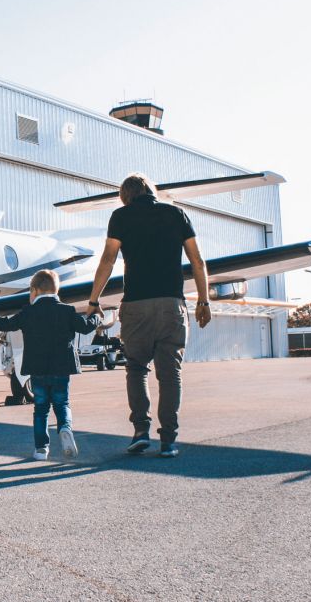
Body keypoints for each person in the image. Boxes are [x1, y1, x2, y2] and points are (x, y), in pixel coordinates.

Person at [86, 173, 211, 458]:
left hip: (136, 305)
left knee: (136, 368)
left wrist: (94, 300)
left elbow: (108, 259)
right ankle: (168, 440)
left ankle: (141, 431)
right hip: (171, 305)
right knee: (170, 374)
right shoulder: (176, 214)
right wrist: (204, 300)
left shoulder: (120, 217)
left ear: (125, 196)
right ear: (151, 191)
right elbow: (197, 260)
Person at [0, 269, 101, 460]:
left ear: (34, 291)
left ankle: (41, 449)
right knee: (62, 403)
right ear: (56, 290)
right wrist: (97, 316)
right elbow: (86, 326)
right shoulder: (67, 310)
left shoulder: (28, 313)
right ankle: (65, 428)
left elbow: (5, 324)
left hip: (37, 370)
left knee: (41, 409)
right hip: (61, 369)